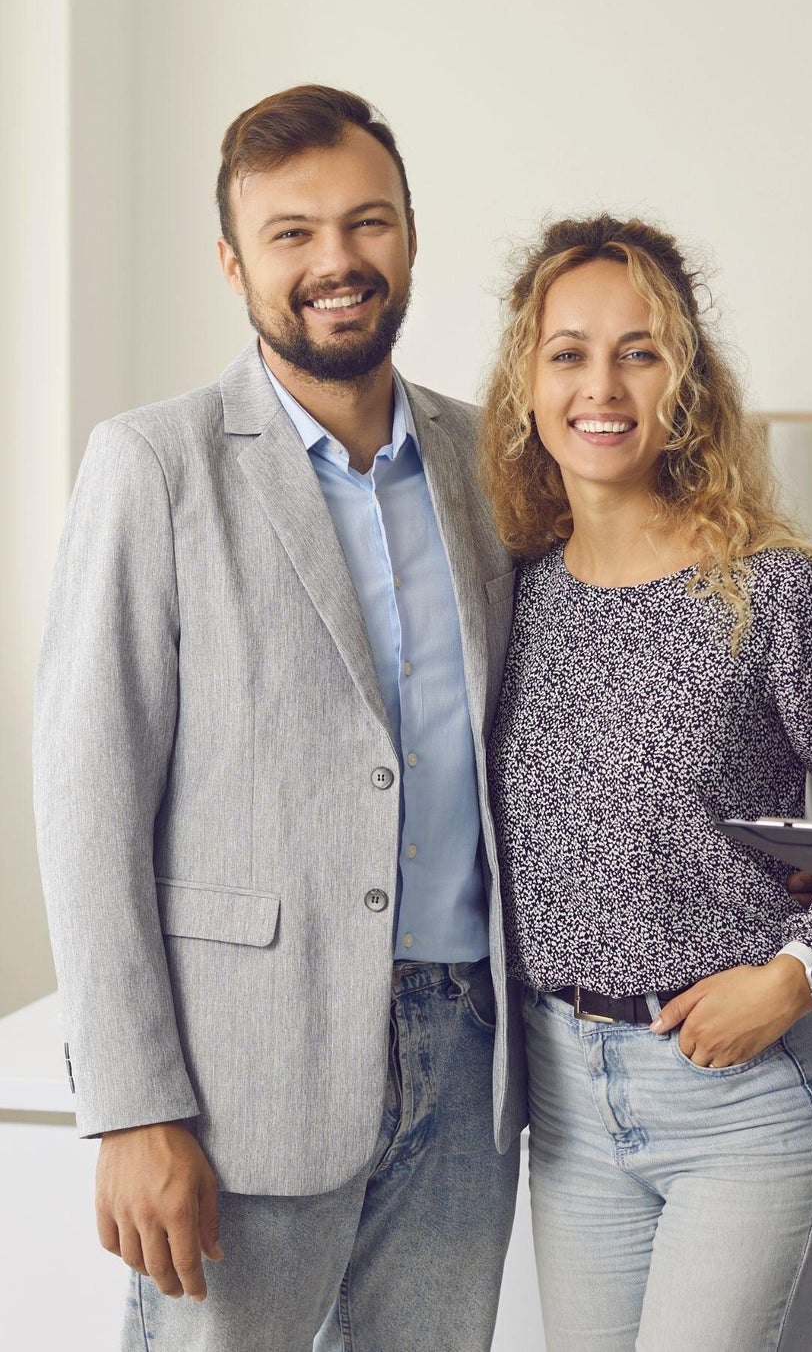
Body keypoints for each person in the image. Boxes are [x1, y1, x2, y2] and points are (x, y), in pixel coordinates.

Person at [34, 85, 524, 1350]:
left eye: (366, 222)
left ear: (408, 234)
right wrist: (132, 1107)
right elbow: (87, 802)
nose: (335, 260)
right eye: (291, 233)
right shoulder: (155, 465)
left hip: (470, 1062)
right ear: (233, 261)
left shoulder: (494, 463)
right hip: (239, 1078)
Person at [480, 214, 812, 1351]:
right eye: (569, 353)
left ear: (686, 382)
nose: (602, 385)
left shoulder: (772, 591)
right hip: (566, 1106)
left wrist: (797, 975)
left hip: (744, 1103)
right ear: (527, 384)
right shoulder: (512, 596)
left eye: (640, 351)